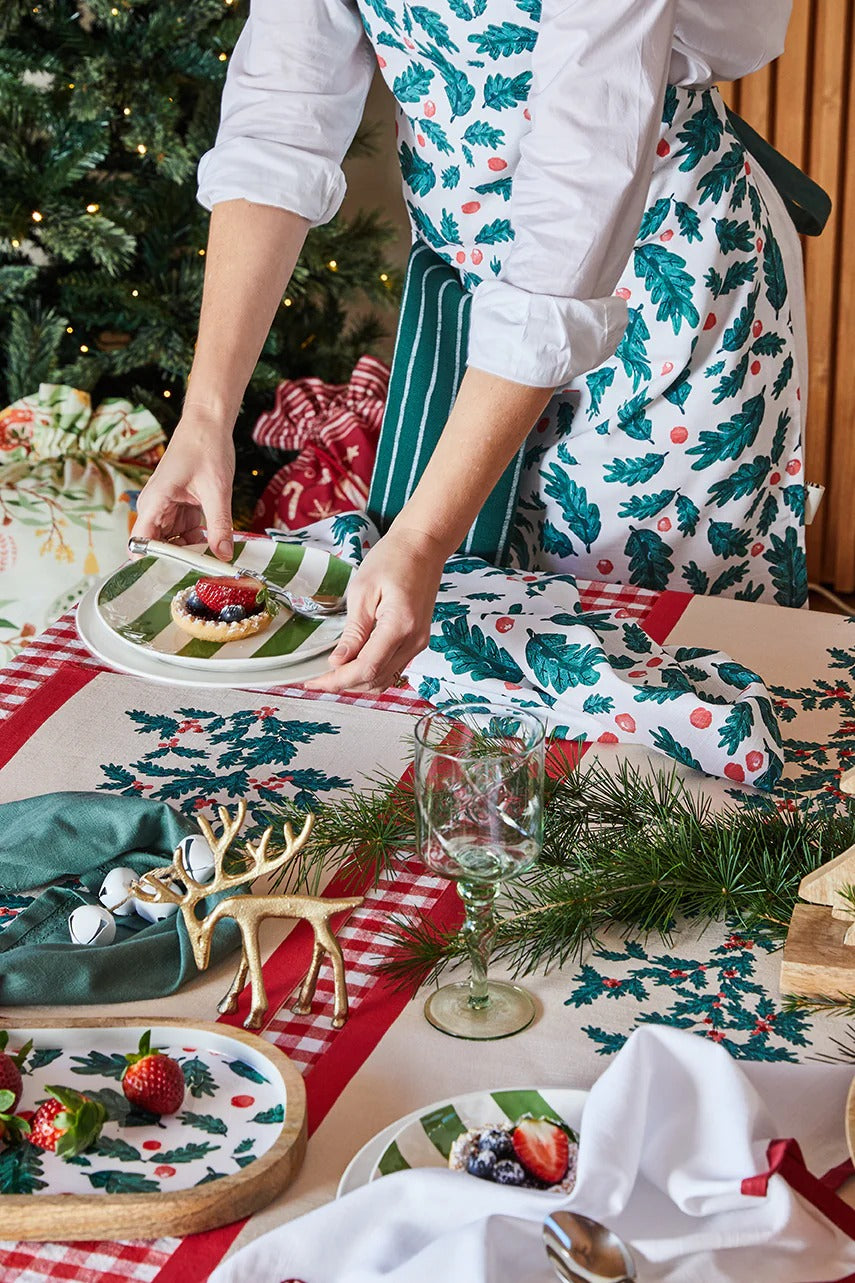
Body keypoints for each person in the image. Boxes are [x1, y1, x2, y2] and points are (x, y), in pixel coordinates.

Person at [133, 0, 806, 695]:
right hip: (471, 303)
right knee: (464, 655)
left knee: (648, 676)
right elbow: (281, 116)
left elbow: (576, 201)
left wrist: (425, 540)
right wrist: (205, 417)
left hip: (669, 305)